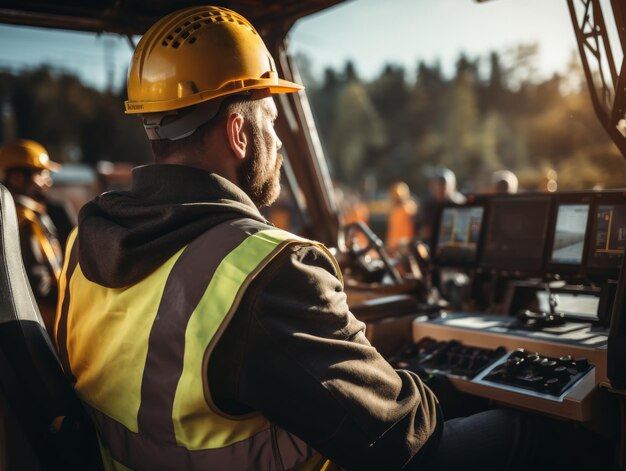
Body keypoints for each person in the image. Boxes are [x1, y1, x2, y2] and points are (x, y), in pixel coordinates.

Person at [54, 6, 572, 471]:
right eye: (273, 122)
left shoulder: (88, 244)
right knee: (529, 431)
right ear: (239, 133)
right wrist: (431, 384)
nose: (278, 142)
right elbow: (398, 439)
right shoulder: (261, 271)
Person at [0, 139, 64, 333]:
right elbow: (39, 284)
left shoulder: (19, 216)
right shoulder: (24, 221)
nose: (48, 181)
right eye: (41, 173)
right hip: (42, 326)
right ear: (17, 178)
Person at [415, 168, 465, 242]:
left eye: (443, 186)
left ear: (452, 186)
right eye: (437, 185)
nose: (440, 189)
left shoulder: (459, 203)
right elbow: (422, 228)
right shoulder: (427, 204)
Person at [386, 181, 418, 249]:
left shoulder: (410, 209)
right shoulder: (394, 211)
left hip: (404, 246)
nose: (397, 198)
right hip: (394, 247)